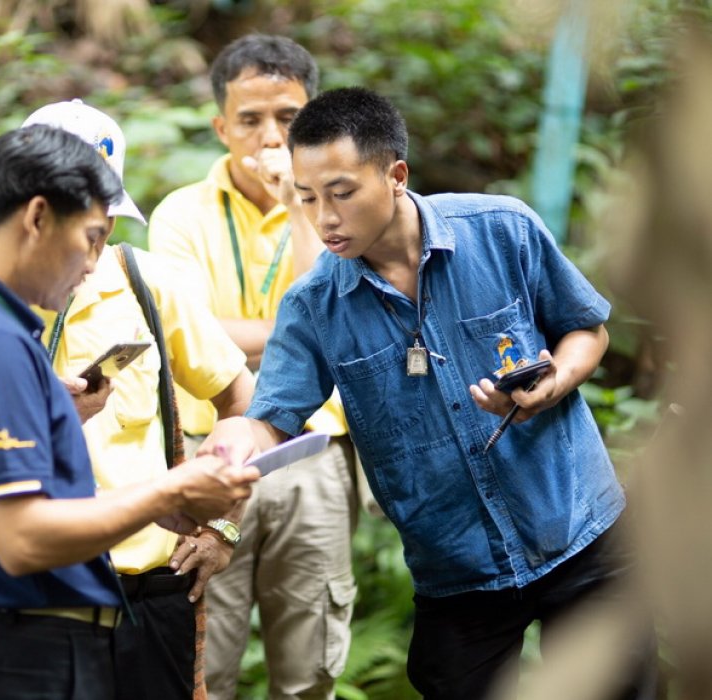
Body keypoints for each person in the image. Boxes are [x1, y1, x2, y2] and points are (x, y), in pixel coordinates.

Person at [207, 86, 656, 700]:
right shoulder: (313, 306)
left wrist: (555, 382)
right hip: (456, 569)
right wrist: (234, 439)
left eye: (342, 192)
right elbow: (271, 419)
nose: (325, 218)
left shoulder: (502, 230)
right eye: (308, 198)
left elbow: (586, 327)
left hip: (579, 528)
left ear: (395, 175)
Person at [0, 99, 256, 699]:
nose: (94, 263)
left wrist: (187, 516)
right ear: (36, 216)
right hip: (25, 648)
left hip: (75, 629)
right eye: (90, 238)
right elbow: (23, 537)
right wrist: (171, 490)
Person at [147, 34, 358, 699]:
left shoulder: (343, 208)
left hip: (314, 453)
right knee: (209, 659)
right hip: (213, 456)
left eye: (289, 119)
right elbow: (187, 335)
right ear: (221, 126)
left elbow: (326, 309)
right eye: (250, 119)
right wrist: (296, 337)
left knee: (310, 665)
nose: (270, 136)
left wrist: (299, 202)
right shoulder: (180, 215)